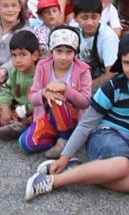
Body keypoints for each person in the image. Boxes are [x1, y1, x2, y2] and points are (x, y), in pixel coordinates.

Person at [24, 33, 129, 201]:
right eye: (126, 63)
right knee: (121, 165)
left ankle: (80, 171)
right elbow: (86, 124)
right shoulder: (112, 87)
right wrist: (64, 157)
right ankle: (51, 181)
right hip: (107, 134)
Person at [20, 26, 92, 158]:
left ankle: (64, 138)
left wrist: (65, 88)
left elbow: (85, 102)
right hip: (49, 117)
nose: (63, 57)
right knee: (27, 143)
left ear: (75, 53)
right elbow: (33, 97)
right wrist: (44, 93)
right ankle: (57, 137)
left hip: (73, 118)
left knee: (57, 99)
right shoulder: (42, 66)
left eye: (69, 52)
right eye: (59, 51)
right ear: (51, 51)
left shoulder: (83, 70)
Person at [0, 30, 40, 141]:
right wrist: (5, 108)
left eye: (23, 55)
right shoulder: (14, 71)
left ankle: (16, 126)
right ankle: (6, 118)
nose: (17, 60)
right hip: (16, 104)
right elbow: (6, 89)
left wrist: (21, 111)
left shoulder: (40, 75)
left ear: (35, 55)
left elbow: (40, 100)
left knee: (38, 114)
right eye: (14, 55)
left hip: (30, 108)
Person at [71, 0, 119, 90]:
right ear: (75, 18)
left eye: (94, 17)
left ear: (100, 16)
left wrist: (82, 88)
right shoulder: (72, 30)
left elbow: (111, 74)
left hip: (103, 83)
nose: (90, 22)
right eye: (84, 18)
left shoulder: (108, 37)